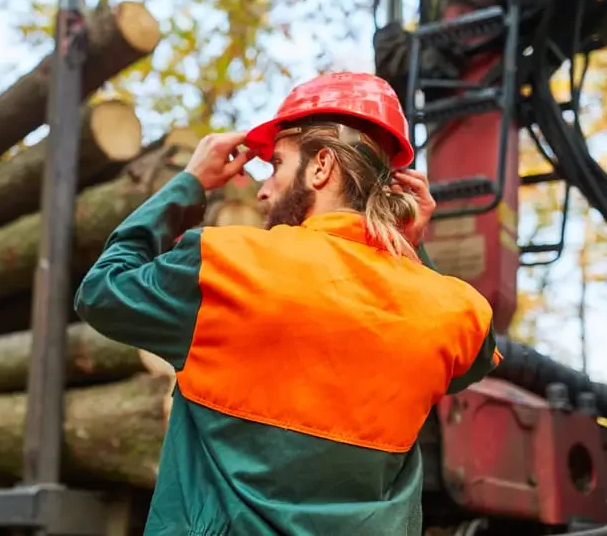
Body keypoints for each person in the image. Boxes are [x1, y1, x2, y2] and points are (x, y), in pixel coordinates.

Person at [74, 71, 501, 536]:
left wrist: (190, 183)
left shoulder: (226, 265)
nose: (262, 188)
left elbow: (100, 290)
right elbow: (472, 363)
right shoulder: (450, 308)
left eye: (276, 164)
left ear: (321, 166)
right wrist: (412, 249)